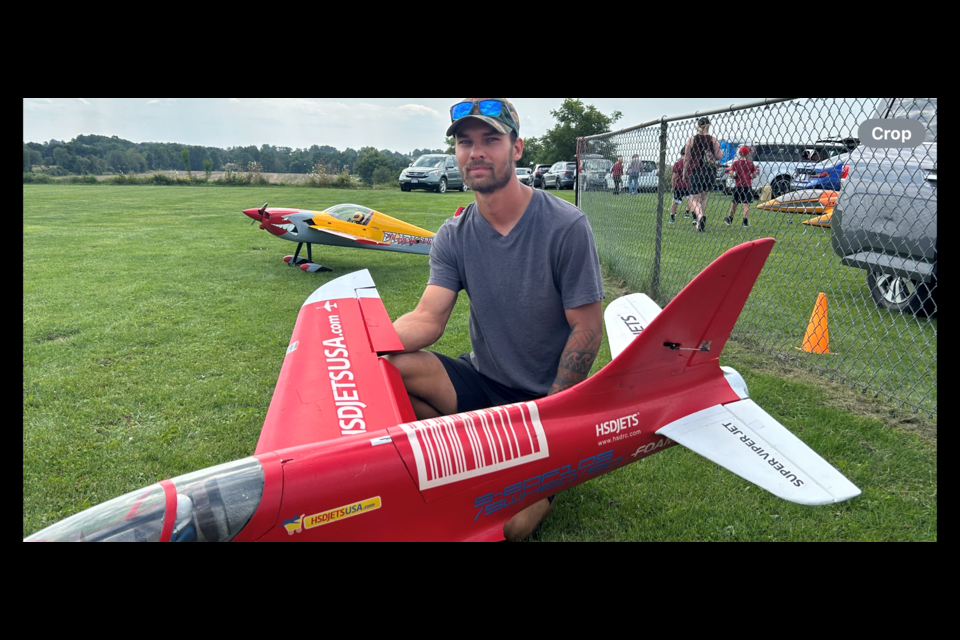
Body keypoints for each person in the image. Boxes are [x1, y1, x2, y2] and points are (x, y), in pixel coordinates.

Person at [386, 98, 605, 542]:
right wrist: (366, 344)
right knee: (388, 367)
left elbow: (587, 328)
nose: (476, 152)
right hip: (483, 380)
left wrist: (553, 414)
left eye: (490, 140)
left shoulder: (565, 225)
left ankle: (544, 476)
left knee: (501, 528)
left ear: (517, 148)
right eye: (465, 143)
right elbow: (428, 317)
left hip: (541, 403)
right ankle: (472, 456)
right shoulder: (454, 233)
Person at [682, 117, 722, 232]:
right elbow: (719, 156)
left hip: (696, 171)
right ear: (708, 126)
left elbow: (687, 159)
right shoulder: (713, 139)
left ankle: (700, 217)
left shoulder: (691, 140)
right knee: (703, 197)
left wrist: (684, 173)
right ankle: (700, 223)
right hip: (710, 172)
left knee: (694, 199)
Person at [725, 146, 760, 228]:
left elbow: (731, 174)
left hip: (738, 186)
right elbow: (754, 175)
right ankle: (745, 222)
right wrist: (750, 177)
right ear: (747, 154)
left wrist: (734, 176)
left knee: (734, 203)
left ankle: (730, 219)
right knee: (746, 204)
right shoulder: (750, 163)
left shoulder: (736, 163)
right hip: (747, 186)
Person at [669, 149, 691, 223]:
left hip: (678, 185)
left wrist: (672, 186)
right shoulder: (690, 163)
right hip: (688, 185)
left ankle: (672, 218)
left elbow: (674, 177)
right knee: (690, 200)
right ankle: (688, 214)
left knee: (675, 201)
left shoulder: (677, 163)